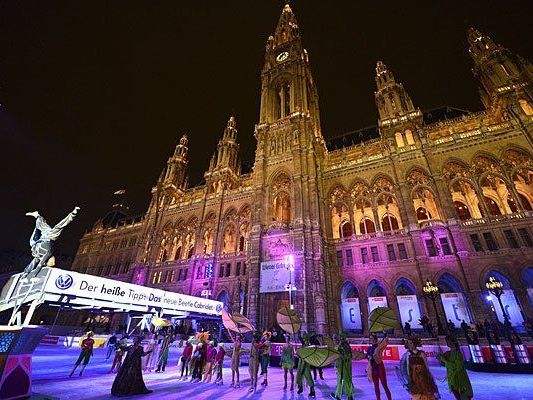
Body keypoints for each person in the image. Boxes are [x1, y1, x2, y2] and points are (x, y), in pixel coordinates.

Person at [437, 336, 473, 400]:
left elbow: (457, 367)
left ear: (454, 342)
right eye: (447, 342)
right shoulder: (448, 353)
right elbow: (443, 364)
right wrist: (440, 358)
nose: (448, 343)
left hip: (460, 380)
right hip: (452, 380)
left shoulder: (458, 353)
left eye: (449, 341)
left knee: (464, 398)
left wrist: (444, 360)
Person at [330, 330, 356, 400]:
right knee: (347, 381)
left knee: (342, 381)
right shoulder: (346, 344)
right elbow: (349, 355)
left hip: (343, 367)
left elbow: (346, 355)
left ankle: (338, 396)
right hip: (346, 366)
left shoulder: (342, 345)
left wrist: (341, 356)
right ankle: (349, 396)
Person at [367, 333, 392, 400]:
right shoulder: (369, 348)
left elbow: (384, 342)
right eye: (370, 338)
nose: (370, 340)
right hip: (373, 368)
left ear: (375, 339)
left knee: (384, 385)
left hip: (379, 367)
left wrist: (385, 334)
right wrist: (368, 357)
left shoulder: (379, 346)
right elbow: (368, 357)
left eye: (371, 338)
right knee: (376, 386)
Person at [296, 332, 316, 398]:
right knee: (299, 375)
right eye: (303, 338)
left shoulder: (308, 345)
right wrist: (298, 353)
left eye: (305, 338)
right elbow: (300, 353)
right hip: (300, 362)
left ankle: (312, 391)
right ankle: (301, 388)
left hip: (306, 363)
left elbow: (306, 354)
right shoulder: (304, 344)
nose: (304, 340)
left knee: (308, 376)